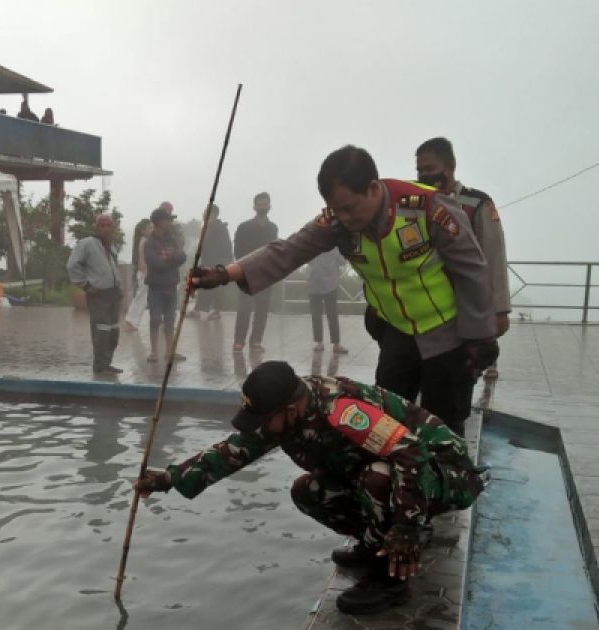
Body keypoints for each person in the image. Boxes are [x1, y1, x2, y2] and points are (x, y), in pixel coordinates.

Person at [133, 361, 486, 615]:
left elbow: (412, 454)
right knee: (309, 490)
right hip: (399, 471)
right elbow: (233, 452)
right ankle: (375, 547)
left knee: (377, 477)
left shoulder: (341, 410)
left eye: (264, 419)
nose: (261, 427)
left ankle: (389, 580)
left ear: (289, 408)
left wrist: (406, 529)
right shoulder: (288, 415)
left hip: (443, 473)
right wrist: (168, 479)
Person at [188, 146, 498, 434]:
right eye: (337, 210)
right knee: (387, 419)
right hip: (397, 333)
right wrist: (223, 274)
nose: (345, 218)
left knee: (444, 424)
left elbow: (472, 269)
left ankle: (447, 489)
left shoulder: (427, 208)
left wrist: (481, 336)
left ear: (374, 189)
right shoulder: (338, 220)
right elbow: (289, 250)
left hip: (447, 334)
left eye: (350, 207)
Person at [415, 136, 511, 377]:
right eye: (419, 170)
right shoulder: (416, 205)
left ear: (449, 167)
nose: (423, 175)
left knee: (460, 377)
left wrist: (499, 310)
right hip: (431, 310)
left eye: (429, 169)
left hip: (468, 307)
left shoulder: (476, 204)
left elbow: (494, 257)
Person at [66, 213, 123, 374]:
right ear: (97, 228)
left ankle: (107, 364)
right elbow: (72, 265)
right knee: (101, 332)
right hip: (98, 296)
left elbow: (113, 270)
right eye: (101, 225)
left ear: (113, 228)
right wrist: (85, 285)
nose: (105, 228)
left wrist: (120, 290)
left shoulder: (110, 247)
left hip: (113, 295)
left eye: (108, 225)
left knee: (113, 332)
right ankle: (100, 366)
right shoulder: (87, 243)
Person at [232, 192, 278, 352]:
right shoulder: (244, 227)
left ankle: (256, 340)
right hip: (247, 273)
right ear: (255, 206)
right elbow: (237, 251)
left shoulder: (273, 228)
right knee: (244, 309)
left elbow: (274, 250)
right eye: (260, 204)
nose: (263, 207)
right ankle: (239, 341)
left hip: (266, 274)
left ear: (269, 206)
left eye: (265, 204)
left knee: (262, 309)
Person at [143, 207, 187, 363]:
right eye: (168, 219)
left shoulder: (172, 239)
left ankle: (170, 351)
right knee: (155, 318)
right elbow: (154, 263)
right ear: (159, 222)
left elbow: (182, 257)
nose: (170, 222)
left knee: (170, 319)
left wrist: (169, 258)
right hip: (156, 286)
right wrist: (171, 260)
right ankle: (154, 351)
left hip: (171, 285)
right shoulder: (150, 243)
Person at [193, 204, 233, 320]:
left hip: (217, 261)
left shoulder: (217, 228)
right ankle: (199, 309)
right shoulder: (210, 227)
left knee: (215, 287)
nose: (203, 214)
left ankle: (215, 311)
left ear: (213, 214)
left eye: (206, 212)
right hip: (211, 260)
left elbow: (217, 247)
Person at [305, 249, 349, 354]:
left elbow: (307, 260)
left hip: (317, 284)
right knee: (329, 315)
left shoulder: (313, 246)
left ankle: (322, 343)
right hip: (323, 285)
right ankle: (334, 344)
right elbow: (343, 262)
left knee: (321, 315)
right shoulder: (333, 248)